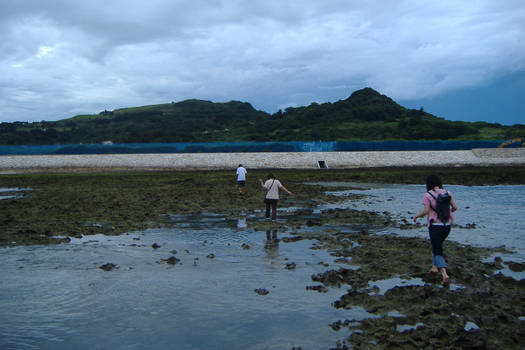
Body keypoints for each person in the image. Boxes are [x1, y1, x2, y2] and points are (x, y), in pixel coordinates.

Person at [413, 174, 458, 286]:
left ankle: (444, 274)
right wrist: (448, 212)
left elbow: (426, 211)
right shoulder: (448, 193)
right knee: (436, 246)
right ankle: (434, 268)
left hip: (435, 227)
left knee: (438, 250)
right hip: (447, 226)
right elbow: (455, 208)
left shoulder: (427, 195)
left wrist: (417, 216)